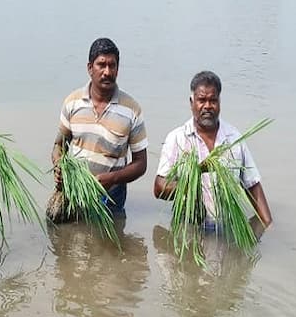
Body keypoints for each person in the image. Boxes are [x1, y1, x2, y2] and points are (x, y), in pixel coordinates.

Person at [152, 70, 273, 228]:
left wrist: (267, 224)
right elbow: (159, 187)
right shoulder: (177, 139)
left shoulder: (234, 139)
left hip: (227, 228)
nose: (208, 106)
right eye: (202, 100)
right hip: (189, 228)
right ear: (192, 102)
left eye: (213, 100)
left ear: (219, 102)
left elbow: (252, 184)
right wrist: (194, 178)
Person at [52, 37, 148, 217]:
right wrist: (59, 166)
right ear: (90, 68)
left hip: (111, 198)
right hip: (74, 193)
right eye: (101, 65)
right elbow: (59, 146)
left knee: (111, 235)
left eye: (112, 65)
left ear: (118, 69)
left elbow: (141, 164)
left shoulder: (131, 110)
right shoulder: (72, 102)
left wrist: (113, 178)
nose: (107, 72)